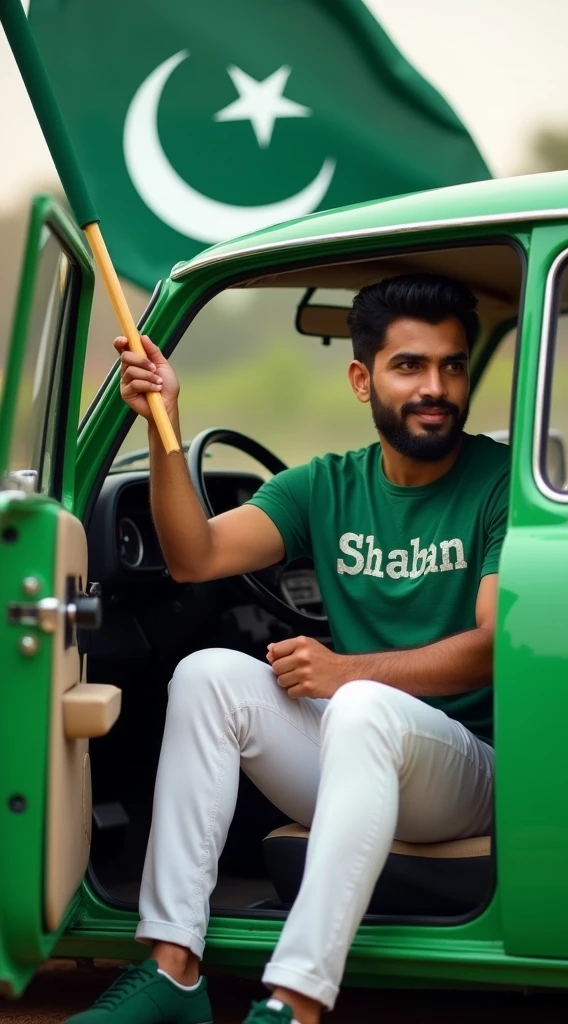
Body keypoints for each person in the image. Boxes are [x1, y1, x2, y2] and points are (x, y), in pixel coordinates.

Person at [67, 274, 508, 1024]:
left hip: (465, 768)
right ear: (362, 379)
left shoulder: (498, 483)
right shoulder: (327, 486)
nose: (436, 387)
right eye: (410, 366)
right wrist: (163, 424)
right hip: (360, 749)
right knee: (207, 674)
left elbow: (494, 647)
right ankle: (173, 968)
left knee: (362, 702)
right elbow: (194, 556)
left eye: (453, 365)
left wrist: (343, 672)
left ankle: (294, 1000)